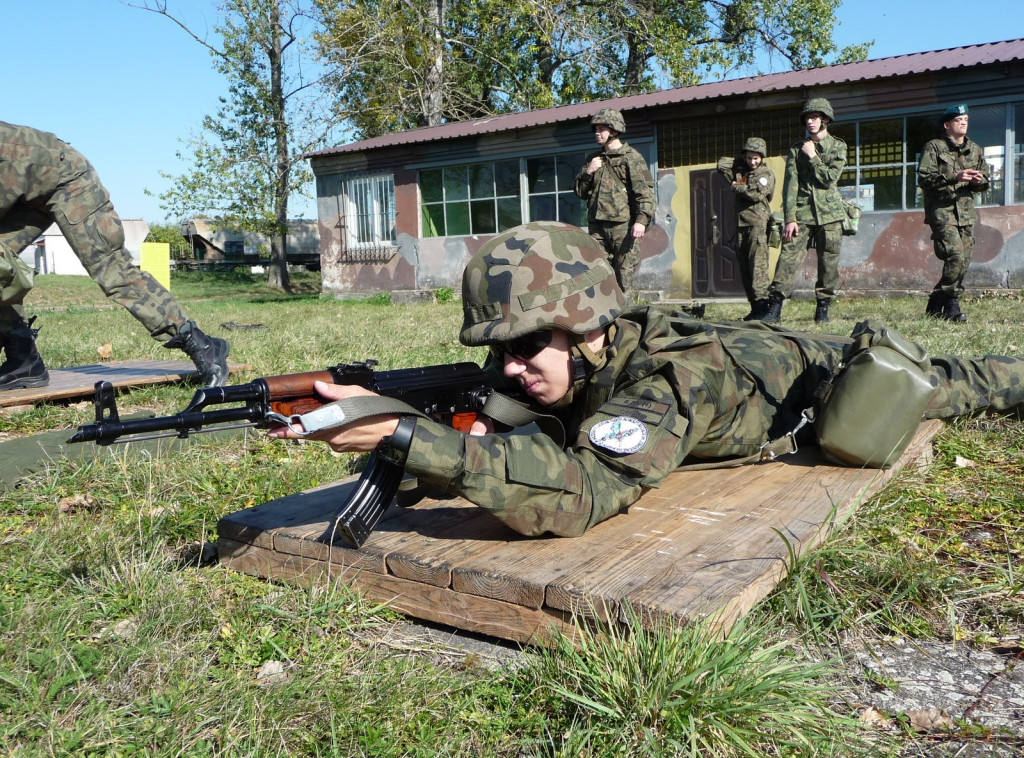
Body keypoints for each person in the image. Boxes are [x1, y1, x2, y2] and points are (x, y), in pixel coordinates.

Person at [268, 220, 1024, 539]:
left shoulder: (670, 382)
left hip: (825, 378)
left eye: (529, 346)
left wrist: (408, 436)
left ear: (592, 328)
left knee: (965, 381)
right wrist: (412, 434)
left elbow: (582, 495)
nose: (511, 369)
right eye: (499, 353)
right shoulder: (572, 359)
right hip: (744, 350)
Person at [0, 120, 230, 391]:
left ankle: (200, 344)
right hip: (24, 191)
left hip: (66, 177)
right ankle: (23, 359)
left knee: (111, 268)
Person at [760, 98, 848, 324]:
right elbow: (791, 185)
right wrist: (790, 218)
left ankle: (823, 310)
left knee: (829, 263)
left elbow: (829, 179)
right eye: (808, 117)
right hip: (802, 213)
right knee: (787, 258)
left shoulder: (838, 146)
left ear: (825, 120)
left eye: (815, 117)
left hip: (830, 215)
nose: (811, 121)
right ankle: (775, 308)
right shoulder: (796, 149)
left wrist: (813, 156)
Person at [917, 103, 989, 323]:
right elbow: (924, 178)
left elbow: (985, 180)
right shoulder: (934, 147)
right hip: (943, 212)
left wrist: (979, 181)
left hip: (966, 213)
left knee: (963, 262)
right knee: (955, 257)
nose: (964, 122)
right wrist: (954, 177)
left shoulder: (975, 149)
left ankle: (935, 302)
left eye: (966, 119)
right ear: (947, 125)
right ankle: (951, 306)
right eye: (959, 120)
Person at [573, 108, 656, 297]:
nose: (597, 133)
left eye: (602, 129)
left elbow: (645, 192)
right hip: (597, 227)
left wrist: (642, 220)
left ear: (615, 130)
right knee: (598, 274)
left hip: (622, 227)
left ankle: (626, 322)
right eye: (596, 129)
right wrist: (589, 172)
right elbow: (579, 192)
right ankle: (602, 322)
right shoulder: (594, 160)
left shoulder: (631, 158)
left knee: (624, 277)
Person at [716, 137, 776, 321]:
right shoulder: (742, 171)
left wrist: (738, 187)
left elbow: (756, 194)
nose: (753, 162)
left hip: (757, 226)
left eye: (756, 158)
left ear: (762, 157)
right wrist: (741, 164)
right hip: (741, 225)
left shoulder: (765, 174)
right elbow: (721, 164)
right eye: (749, 158)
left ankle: (763, 307)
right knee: (745, 270)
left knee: (758, 268)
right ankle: (754, 308)